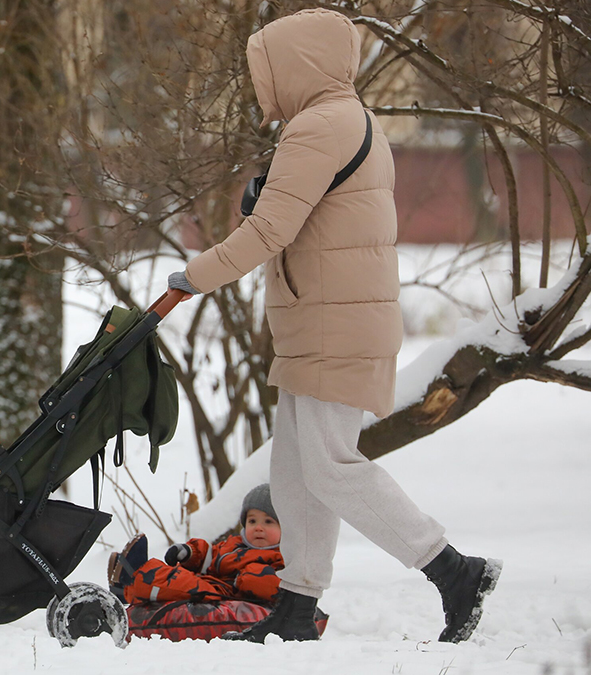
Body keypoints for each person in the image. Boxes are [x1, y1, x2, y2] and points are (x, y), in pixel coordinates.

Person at [166, 8, 500, 644]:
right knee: (297, 474)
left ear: (297, 64)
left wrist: (196, 275)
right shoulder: (344, 120)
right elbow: (305, 214)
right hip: (321, 322)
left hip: (333, 326)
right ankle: (296, 607)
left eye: (267, 67)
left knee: (331, 467)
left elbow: (270, 229)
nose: (262, 82)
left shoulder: (321, 125)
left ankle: (455, 571)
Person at [109, 484, 283, 607]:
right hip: (212, 583)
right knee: (178, 575)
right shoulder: (235, 545)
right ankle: (129, 580)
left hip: (226, 595)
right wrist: (189, 552)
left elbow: (277, 587)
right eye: (252, 521)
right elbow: (211, 555)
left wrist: (248, 579)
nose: (259, 528)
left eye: (268, 521)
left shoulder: (283, 556)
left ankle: (130, 583)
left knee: (182, 584)